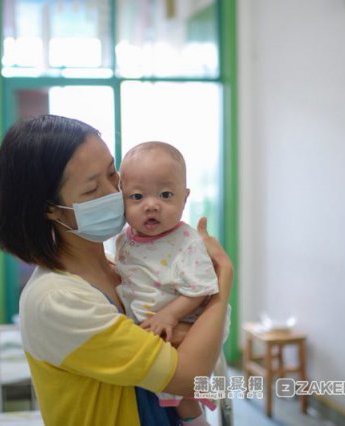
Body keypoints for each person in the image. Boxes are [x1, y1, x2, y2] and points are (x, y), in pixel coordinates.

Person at [0, 115, 233, 426]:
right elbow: (188, 377)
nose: (114, 193)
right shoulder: (57, 298)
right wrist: (222, 280)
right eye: (93, 189)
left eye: (112, 174)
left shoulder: (118, 265)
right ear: (50, 207)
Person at [116, 141, 231, 424]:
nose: (151, 205)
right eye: (137, 196)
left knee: (182, 394)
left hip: (191, 321)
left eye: (166, 195)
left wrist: (170, 314)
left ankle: (197, 420)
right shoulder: (124, 239)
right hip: (156, 324)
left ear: (184, 197)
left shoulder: (185, 242)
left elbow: (201, 289)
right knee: (163, 388)